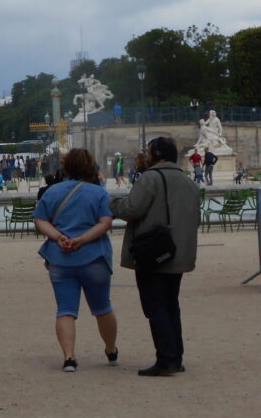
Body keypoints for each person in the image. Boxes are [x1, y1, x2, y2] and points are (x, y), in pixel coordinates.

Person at [110, 136, 200, 377]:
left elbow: (132, 209)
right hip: (179, 251)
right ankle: (176, 356)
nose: (146, 156)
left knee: (156, 306)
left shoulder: (150, 178)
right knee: (171, 305)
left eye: (148, 152)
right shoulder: (187, 180)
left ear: (157, 154)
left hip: (153, 252)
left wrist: (113, 204)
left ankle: (166, 359)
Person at [32, 149, 118, 373]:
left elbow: (40, 219)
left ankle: (69, 357)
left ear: (66, 167)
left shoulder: (52, 192)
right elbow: (106, 222)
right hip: (94, 256)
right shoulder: (98, 193)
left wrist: (59, 237)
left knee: (66, 310)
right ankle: (110, 349)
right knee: (102, 307)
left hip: (61, 258)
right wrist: (82, 239)